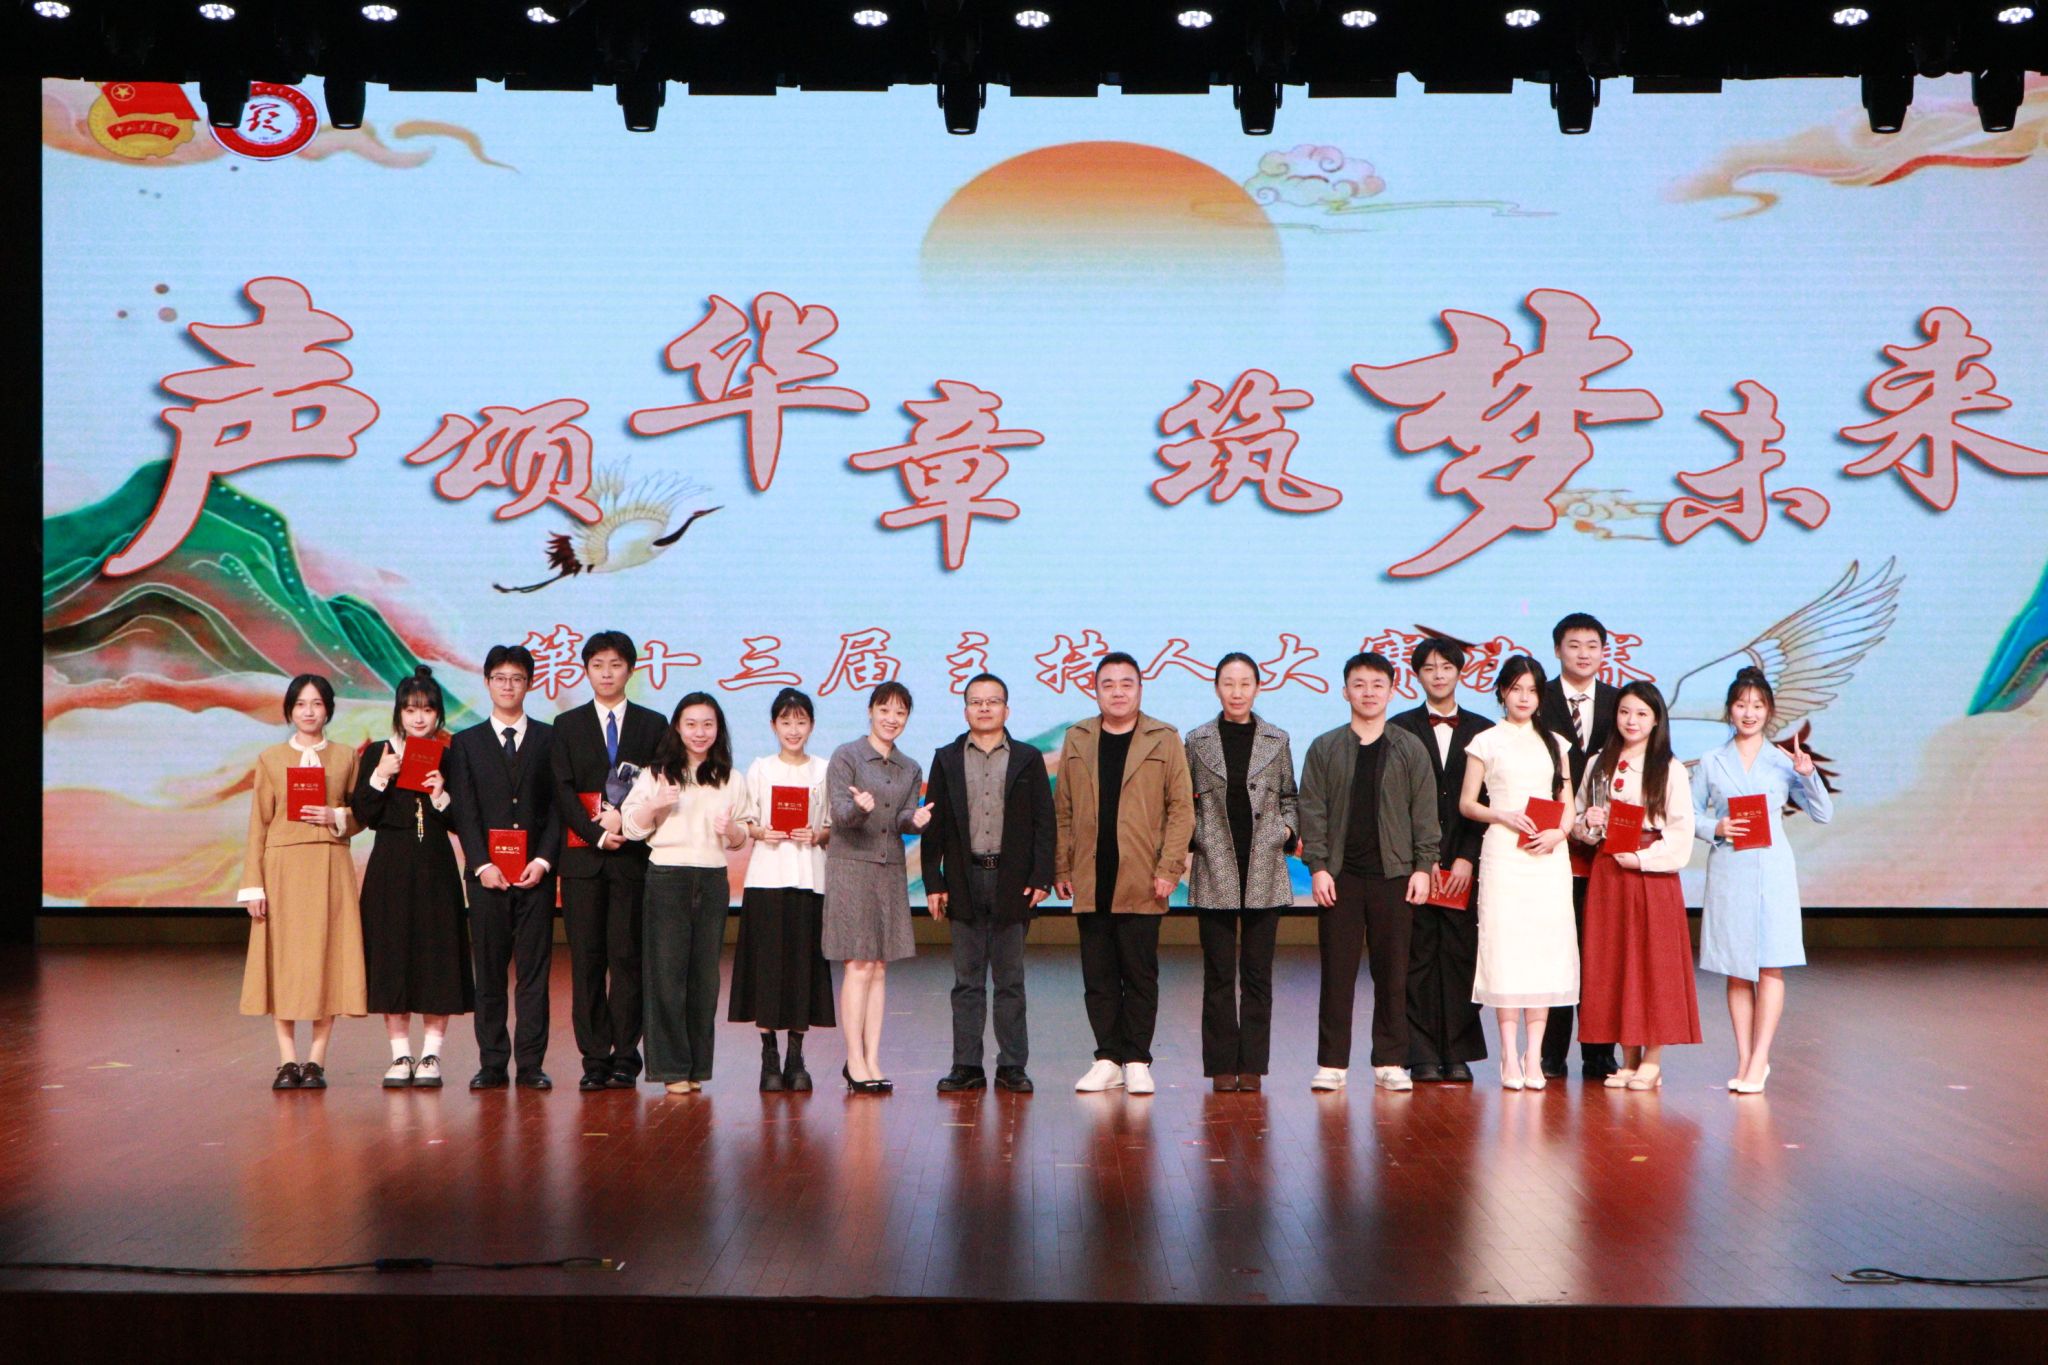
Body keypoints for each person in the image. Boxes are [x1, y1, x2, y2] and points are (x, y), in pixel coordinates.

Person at [1055, 653, 1197, 1096]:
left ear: (1140, 689)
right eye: (1108, 684)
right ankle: (1107, 1059)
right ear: (1095, 690)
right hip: (1090, 874)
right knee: (1097, 976)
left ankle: (1136, 1059)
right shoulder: (1078, 737)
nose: (1117, 692)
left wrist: (1170, 867)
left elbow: (1181, 809)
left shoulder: (1163, 738)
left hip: (1144, 875)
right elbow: (1063, 810)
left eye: (1126, 683)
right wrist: (1061, 864)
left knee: (1139, 973)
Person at [1297, 652, 1439, 1094]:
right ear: (1345, 692)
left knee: (1393, 974)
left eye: (1378, 685)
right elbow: (1312, 812)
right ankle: (1332, 1063)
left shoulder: (1409, 747)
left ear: (1393, 691)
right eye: (1359, 684)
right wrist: (1318, 867)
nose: (1369, 693)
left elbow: (1425, 814)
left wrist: (1423, 867)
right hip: (1340, 876)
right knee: (1337, 974)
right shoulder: (1324, 747)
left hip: (1394, 876)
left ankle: (1391, 1061)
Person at [1692, 667, 1831, 1095]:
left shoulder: (1783, 760)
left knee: (1771, 963)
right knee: (1737, 969)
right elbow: (1688, 814)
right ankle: (1744, 1058)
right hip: (1730, 868)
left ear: (1769, 711)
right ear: (1729, 710)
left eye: (1757, 706)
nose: (1748, 713)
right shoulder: (1712, 761)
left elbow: (1823, 814)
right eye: (1741, 705)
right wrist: (1716, 827)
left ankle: (1760, 1059)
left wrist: (1807, 774)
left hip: (1772, 870)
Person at [921, 672, 1056, 1095]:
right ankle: (966, 1066)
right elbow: (934, 826)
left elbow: (1044, 822)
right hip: (964, 878)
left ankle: (1012, 1066)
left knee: (1010, 980)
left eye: (992, 701)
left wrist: (1042, 876)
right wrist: (933, 881)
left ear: (1006, 710)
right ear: (965, 710)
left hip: (1012, 881)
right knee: (967, 980)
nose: (984, 708)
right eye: (976, 701)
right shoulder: (946, 758)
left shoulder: (1028, 758)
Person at [551, 630, 668, 1092]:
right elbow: (562, 792)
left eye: (615, 665)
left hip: (632, 860)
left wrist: (625, 824)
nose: (606, 673)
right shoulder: (567, 724)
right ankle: (594, 1057)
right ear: (585, 670)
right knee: (586, 962)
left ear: (630, 670)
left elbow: (658, 786)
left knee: (627, 959)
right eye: (597, 665)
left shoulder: (652, 724)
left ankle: (625, 1056)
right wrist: (597, 834)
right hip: (582, 862)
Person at [1569, 681, 1700, 1092]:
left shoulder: (1669, 768)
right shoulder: (1599, 763)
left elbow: (1680, 832)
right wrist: (1588, 825)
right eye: (1625, 712)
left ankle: (1652, 1061)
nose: (1632, 721)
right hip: (1609, 872)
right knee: (1614, 962)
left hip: (1651, 876)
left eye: (1642, 714)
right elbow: (1578, 820)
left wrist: (1643, 859)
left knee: (1652, 964)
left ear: (1656, 720)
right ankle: (1627, 1059)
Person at [238, 673, 365, 1090]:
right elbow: (258, 824)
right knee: (285, 962)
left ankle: (316, 1062)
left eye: (317, 704)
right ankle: (287, 1060)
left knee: (327, 960)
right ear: (290, 710)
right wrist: (254, 886)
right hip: (283, 869)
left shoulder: (346, 756)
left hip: (330, 865)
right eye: (300, 704)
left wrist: (337, 816)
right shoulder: (271, 759)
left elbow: (363, 815)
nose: (309, 712)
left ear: (328, 709)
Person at [1459, 655, 1578, 1091]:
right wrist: (1503, 815)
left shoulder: (1556, 743)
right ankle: (1509, 1053)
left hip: (1547, 857)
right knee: (1506, 948)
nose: (1524, 698)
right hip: (1504, 854)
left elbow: (1568, 804)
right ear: (1502, 692)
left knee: (1544, 948)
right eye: (1515, 689)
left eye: (1532, 690)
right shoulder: (1485, 741)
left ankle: (1535, 1054)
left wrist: (1558, 834)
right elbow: (1467, 803)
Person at [620, 692, 749, 1095]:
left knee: (704, 979)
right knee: (666, 974)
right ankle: (671, 1068)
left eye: (708, 724)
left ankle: (696, 1067)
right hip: (668, 877)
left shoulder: (730, 777)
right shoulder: (656, 773)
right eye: (691, 724)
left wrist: (731, 829)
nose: (699, 732)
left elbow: (741, 836)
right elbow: (631, 827)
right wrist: (656, 804)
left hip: (712, 879)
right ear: (677, 726)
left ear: (718, 729)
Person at [446, 645, 561, 1091]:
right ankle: (492, 1063)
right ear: (487, 682)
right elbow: (465, 810)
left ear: (529, 683)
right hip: (487, 878)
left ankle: (531, 1064)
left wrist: (543, 860)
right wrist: (480, 864)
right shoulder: (466, 743)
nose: (508, 686)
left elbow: (557, 808)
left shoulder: (550, 738)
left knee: (534, 975)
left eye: (516, 678)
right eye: (500, 678)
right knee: (490, 974)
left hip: (535, 876)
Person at [1183, 652, 1299, 1093]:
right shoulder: (1196, 740)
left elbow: (1289, 796)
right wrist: (1197, 837)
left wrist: (1286, 831)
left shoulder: (1277, 739)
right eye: (1228, 683)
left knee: (1257, 975)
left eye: (1245, 683)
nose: (1237, 692)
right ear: (1216, 688)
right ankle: (1219, 1065)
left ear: (1258, 687)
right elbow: (1184, 801)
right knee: (1217, 975)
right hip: (1215, 865)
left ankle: (1251, 1065)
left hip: (1264, 866)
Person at [354, 666, 473, 1089]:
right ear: (398, 713)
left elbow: (463, 822)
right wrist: (381, 775)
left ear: (438, 713)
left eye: (427, 710)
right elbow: (363, 814)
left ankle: (431, 1055)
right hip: (389, 868)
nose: (419, 718)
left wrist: (441, 794)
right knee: (392, 955)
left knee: (437, 955)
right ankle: (400, 1054)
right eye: (410, 710)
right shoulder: (378, 753)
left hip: (436, 867)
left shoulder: (451, 754)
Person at [1389, 637, 1492, 1083]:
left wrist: (1468, 856)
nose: (1438, 675)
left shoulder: (1485, 731)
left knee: (1461, 955)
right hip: (1415, 865)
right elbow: (1394, 802)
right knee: (1416, 956)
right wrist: (1421, 857)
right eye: (1429, 668)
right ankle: (1420, 1053)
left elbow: (1490, 798)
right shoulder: (1398, 728)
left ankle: (1458, 1052)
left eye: (1446, 667)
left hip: (1467, 863)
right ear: (1416, 676)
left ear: (1460, 673)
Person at [825, 682, 933, 1093]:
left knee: (880, 966)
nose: (892, 719)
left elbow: (903, 816)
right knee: (858, 964)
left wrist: (915, 821)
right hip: (852, 867)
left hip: (889, 870)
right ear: (870, 711)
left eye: (900, 712)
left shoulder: (910, 767)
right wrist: (858, 808)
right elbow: (840, 814)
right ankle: (854, 1059)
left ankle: (872, 1058)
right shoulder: (846, 756)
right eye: (884, 710)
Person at [730, 687, 835, 1093]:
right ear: (773, 725)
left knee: (802, 966)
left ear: (812, 725)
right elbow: (746, 822)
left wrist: (818, 834)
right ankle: (769, 1056)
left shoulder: (824, 770)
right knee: (768, 968)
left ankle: (796, 1057)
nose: (794, 729)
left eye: (801, 721)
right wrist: (761, 831)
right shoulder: (760, 768)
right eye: (786, 721)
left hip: (809, 878)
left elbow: (832, 827)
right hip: (767, 879)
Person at [1536, 612, 1622, 1081]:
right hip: (1549, 845)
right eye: (1574, 645)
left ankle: (1599, 1051)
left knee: (1601, 953)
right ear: (1557, 650)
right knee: (1554, 947)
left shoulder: (1620, 703)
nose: (1583, 653)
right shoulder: (1536, 697)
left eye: (1592, 645)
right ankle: (1550, 1052)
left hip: (1606, 849)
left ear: (1604, 651)